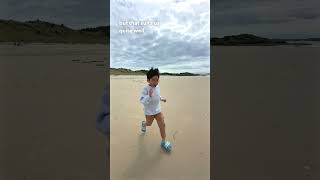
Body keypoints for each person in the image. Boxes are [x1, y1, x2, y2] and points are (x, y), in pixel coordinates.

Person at [140, 67, 172, 152]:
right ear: (148, 80)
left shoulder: (158, 87)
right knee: (149, 124)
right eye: (153, 80)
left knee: (162, 124)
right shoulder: (145, 89)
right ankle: (144, 123)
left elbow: (157, 95)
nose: (155, 82)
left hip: (157, 110)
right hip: (149, 112)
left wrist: (161, 98)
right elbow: (142, 101)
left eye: (157, 80)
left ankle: (163, 141)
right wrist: (148, 96)